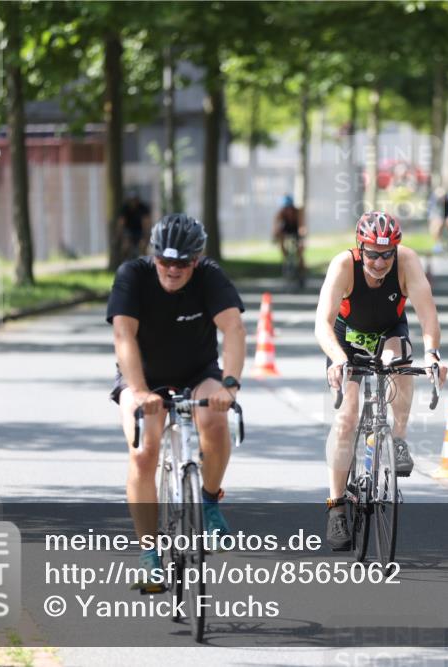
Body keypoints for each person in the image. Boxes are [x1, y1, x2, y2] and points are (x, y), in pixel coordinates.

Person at [106, 213, 246, 587]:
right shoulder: (132, 276)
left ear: (196, 260)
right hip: (143, 376)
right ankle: (149, 553)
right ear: (153, 257)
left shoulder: (211, 277)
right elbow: (124, 336)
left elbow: (233, 328)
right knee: (143, 451)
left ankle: (210, 501)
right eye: (165, 261)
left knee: (215, 423)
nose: (172, 269)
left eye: (182, 262)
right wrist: (137, 391)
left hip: (197, 372)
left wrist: (229, 386)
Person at [315, 211, 448, 551]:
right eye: (372, 253)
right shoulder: (343, 266)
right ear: (360, 248)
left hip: (389, 331)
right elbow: (322, 322)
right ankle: (336, 506)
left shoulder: (407, 263)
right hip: (347, 338)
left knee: (400, 361)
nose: (379, 261)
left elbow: (427, 314)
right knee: (346, 418)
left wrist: (433, 354)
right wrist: (339, 360)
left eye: (387, 253)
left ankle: (397, 439)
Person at [273, 194, 306, 277]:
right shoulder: (280, 214)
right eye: (286, 208)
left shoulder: (298, 213)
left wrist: (302, 233)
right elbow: (276, 227)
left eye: (290, 208)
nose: (288, 211)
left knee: (301, 247)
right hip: (286, 229)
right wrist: (276, 234)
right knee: (280, 239)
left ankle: (301, 267)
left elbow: (301, 226)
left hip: (295, 228)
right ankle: (285, 257)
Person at [118, 191, 152, 260]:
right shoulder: (125, 208)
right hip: (129, 230)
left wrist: (145, 235)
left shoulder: (143, 208)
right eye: (131, 200)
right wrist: (120, 234)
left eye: (134, 200)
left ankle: (144, 262)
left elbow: (146, 222)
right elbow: (121, 222)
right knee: (125, 246)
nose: (133, 202)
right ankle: (125, 260)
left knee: (143, 247)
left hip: (140, 231)